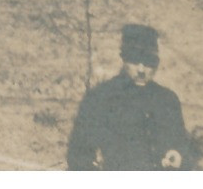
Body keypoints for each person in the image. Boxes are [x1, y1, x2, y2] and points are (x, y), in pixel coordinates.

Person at [67, 24, 193, 171]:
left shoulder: (167, 100)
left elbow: (181, 146)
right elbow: (78, 155)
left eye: (148, 63)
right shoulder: (101, 97)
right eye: (134, 60)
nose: (141, 70)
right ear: (123, 59)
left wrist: (178, 156)